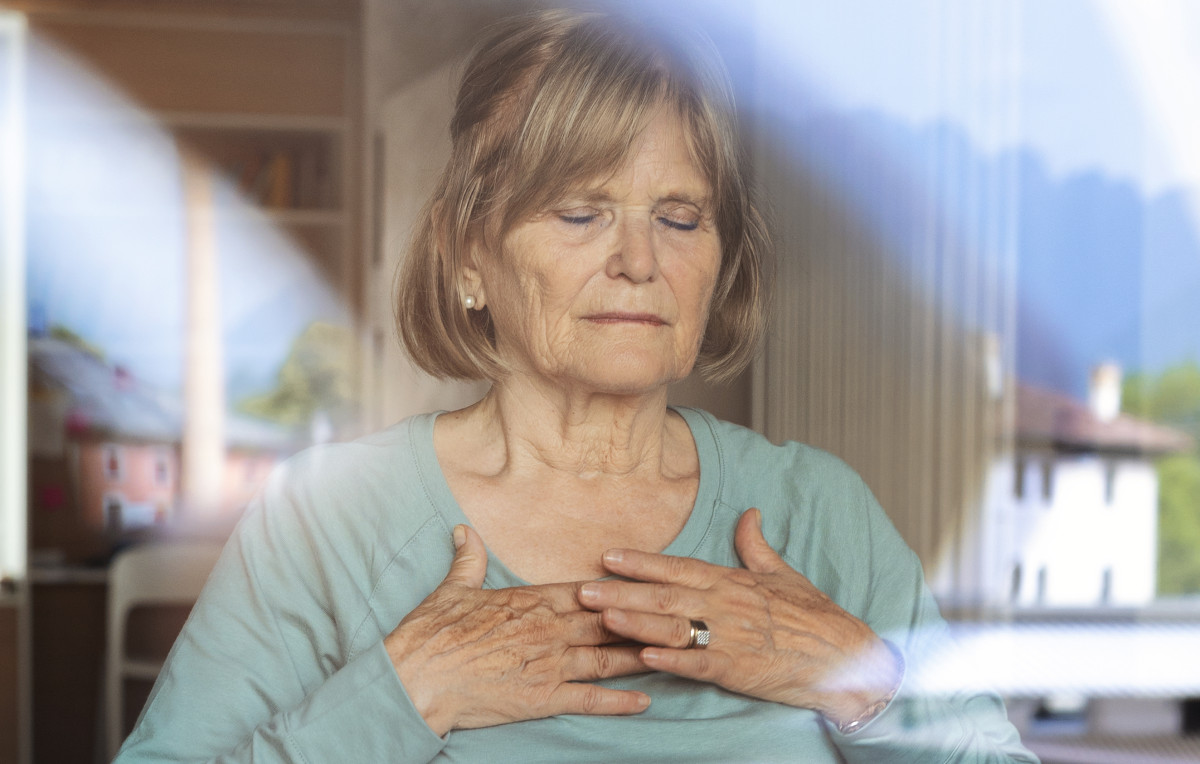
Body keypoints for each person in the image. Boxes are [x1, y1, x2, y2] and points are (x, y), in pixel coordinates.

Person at [116, 9, 1038, 763]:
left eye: (680, 218)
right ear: (469, 253)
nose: (640, 260)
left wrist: (860, 675)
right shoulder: (330, 520)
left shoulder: (815, 509)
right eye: (580, 211)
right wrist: (405, 697)